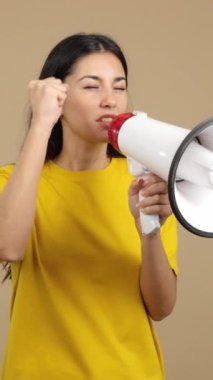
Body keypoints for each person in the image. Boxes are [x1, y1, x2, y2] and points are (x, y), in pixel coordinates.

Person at [0, 32, 178, 380]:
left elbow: (161, 307)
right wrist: (41, 122)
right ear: (58, 97)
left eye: (119, 86)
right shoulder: (15, 181)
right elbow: (8, 245)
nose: (110, 100)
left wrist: (149, 229)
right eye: (92, 86)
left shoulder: (147, 183)